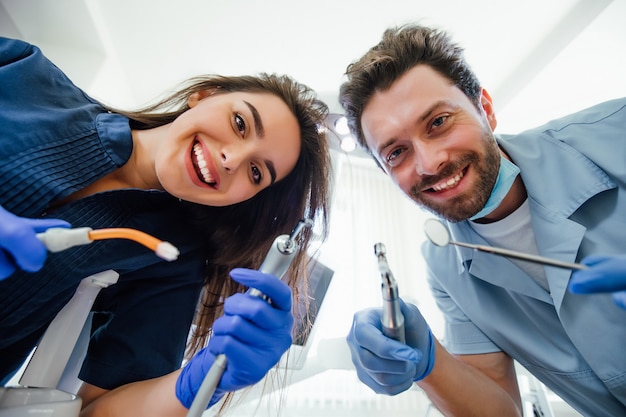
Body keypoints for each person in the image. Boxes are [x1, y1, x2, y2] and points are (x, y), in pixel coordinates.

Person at [0, 36, 332, 416]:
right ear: (205, 95)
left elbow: (98, 411)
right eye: (240, 123)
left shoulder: (173, 258)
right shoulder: (23, 72)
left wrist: (198, 382)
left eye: (256, 172)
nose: (230, 158)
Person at [339, 23, 626, 417]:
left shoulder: (616, 131)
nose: (429, 163)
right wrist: (430, 364)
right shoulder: (445, 266)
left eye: (438, 122)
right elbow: (501, 410)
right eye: (396, 153)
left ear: (485, 108)